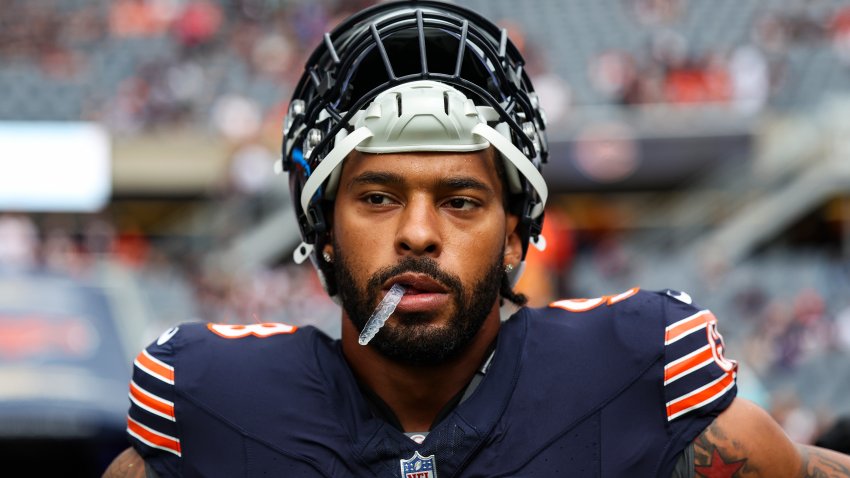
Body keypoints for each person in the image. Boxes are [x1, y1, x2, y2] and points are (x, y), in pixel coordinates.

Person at [104, 1, 850, 476]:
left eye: (461, 201)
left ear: (516, 236)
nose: (420, 234)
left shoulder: (633, 377)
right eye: (377, 198)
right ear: (322, 233)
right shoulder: (213, 408)